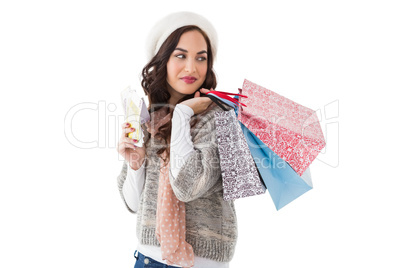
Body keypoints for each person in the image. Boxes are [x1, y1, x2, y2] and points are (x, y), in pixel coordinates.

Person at [116, 11, 237, 268]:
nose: (191, 67)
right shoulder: (152, 119)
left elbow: (187, 187)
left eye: (201, 58)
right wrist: (135, 165)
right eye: (180, 55)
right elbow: (135, 205)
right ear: (163, 60)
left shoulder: (220, 118)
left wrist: (183, 114)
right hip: (148, 259)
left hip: (202, 263)